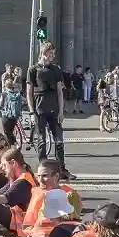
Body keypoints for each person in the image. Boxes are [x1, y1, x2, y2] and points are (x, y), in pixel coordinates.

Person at [27, 40, 72, 178]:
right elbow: (29, 91)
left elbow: (59, 91)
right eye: (51, 53)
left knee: (59, 140)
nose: (52, 56)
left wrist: (61, 111)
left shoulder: (56, 69)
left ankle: (61, 169)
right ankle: (43, 169)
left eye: (53, 53)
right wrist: (31, 110)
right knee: (41, 140)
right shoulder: (33, 69)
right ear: (44, 53)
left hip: (53, 107)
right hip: (39, 108)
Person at [0, 69, 24, 146]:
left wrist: (1, 108)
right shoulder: (17, 94)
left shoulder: (4, 93)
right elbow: (24, 102)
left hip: (6, 116)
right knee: (11, 130)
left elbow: (0, 105)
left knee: (7, 132)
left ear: (5, 86)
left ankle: (12, 146)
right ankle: (14, 144)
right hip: (14, 116)